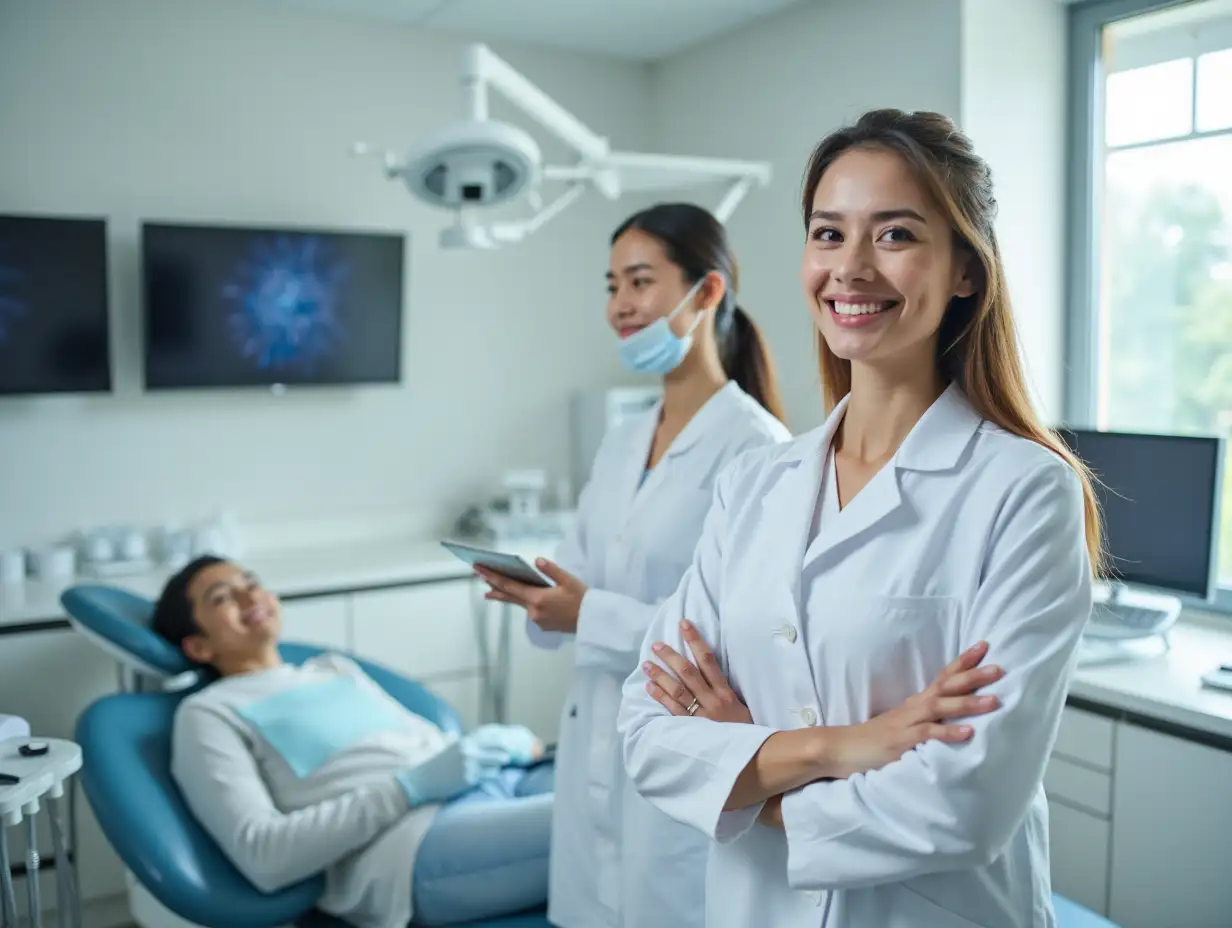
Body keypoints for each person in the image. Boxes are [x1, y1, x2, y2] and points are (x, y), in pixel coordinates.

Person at [617, 109, 1104, 928]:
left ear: (965, 272)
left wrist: (749, 772)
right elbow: (646, 730)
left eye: (896, 235)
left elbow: (966, 806)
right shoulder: (755, 486)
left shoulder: (1024, 490)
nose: (851, 269)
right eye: (828, 234)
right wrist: (835, 748)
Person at [473, 202, 791, 928]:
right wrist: (540, 594)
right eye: (612, 285)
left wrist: (588, 614)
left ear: (706, 292)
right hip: (594, 734)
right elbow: (581, 570)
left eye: (640, 282)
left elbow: (745, 638)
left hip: (683, 749)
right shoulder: (622, 439)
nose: (621, 306)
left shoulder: (759, 450)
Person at [154, 555, 555, 928]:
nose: (249, 596)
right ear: (198, 645)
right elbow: (264, 855)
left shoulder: (332, 669)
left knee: (614, 783)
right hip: (412, 844)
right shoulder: (208, 713)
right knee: (600, 819)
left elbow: (427, 743)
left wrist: (500, 746)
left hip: (495, 787)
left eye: (251, 582)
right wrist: (408, 789)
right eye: (222, 597)